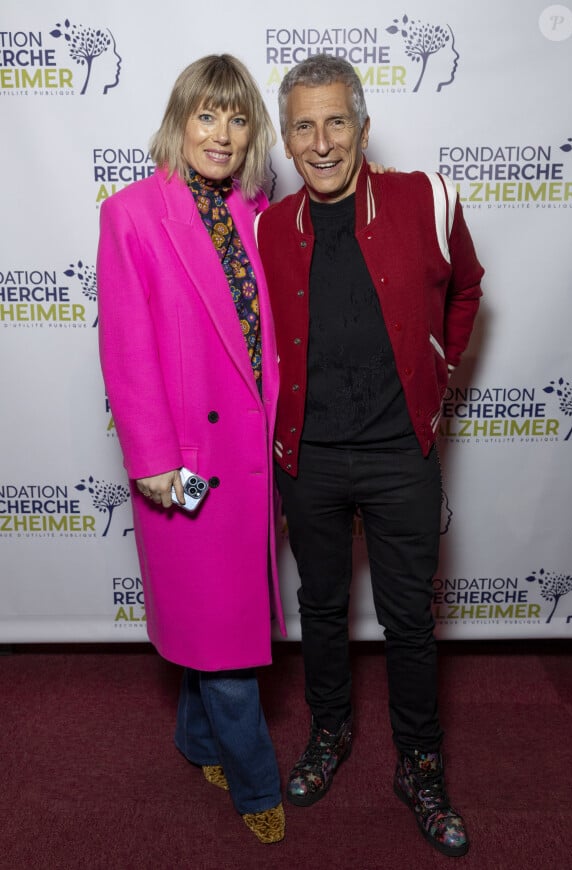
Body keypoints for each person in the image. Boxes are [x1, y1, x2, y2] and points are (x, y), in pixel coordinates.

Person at [255, 55, 484, 858]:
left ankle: (420, 767)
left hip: (399, 454)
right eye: (304, 127)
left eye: (336, 122)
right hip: (308, 457)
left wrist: (441, 367)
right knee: (319, 608)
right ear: (285, 137)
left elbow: (468, 287)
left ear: (362, 124)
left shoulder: (428, 197)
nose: (322, 144)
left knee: (408, 623)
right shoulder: (266, 228)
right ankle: (329, 733)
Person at [97, 54, 286, 844]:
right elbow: (129, 348)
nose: (223, 133)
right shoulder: (133, 212)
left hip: (251, 457)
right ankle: (257, 787)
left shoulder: (259, 210)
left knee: (214, 624)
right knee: (225, 639)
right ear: (180, 122)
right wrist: (150, 461)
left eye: (238, 118)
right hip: (187, 466)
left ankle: (196, 738)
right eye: (207, 114)